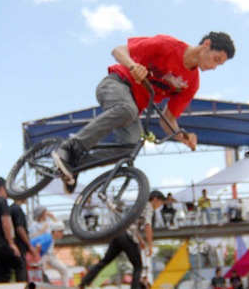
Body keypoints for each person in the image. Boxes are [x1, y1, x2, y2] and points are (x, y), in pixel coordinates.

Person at [52, 32, 235, 193]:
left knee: (128, 149)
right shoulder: (168, 45)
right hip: (116, 84)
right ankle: (70, 148)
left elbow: (168, 119)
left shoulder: (192, 84)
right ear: (206, 45)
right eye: (216, 59)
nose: (214, 67)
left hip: (132, 110)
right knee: (127, 110)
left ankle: (74, 166)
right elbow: (118, 50)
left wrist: (182, 137)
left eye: (219, 65)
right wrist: (133, 65)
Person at [80, 191, 164, 289]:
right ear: (155, 199)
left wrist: (141, 241)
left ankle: (83, 284)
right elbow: (148, 226)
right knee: (138, 266)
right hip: (128, 237)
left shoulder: (138, 204)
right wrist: (150, 245)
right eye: (160, 203)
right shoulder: (148, 207)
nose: (159, 206)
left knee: (104, 261)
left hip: (118, 234)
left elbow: (132, 224)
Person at [30, 206, 70, 286]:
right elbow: (33, 239)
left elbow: (59, 227)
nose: (46, 214)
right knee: (41, 273)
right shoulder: (34, 225)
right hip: (42, 254)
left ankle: (66, 288)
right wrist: (42, 231)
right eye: (44, 212)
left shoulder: (48, 223)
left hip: (50, 254)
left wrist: (53, 217)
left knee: (64, 270)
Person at [10, 198, 38, 282]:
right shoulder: (17, 209)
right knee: (21, 269)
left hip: (14, 242)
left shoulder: (11, 208)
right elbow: (19, 228)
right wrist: (29, 245)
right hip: (19, 244)